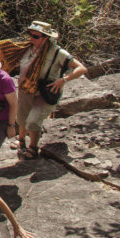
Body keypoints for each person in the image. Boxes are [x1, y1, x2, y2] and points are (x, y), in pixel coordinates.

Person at [14, 21, 87, 159]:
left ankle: (33, 148)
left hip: (45, 90)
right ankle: (21, 140)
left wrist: (63, 80)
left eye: (36, 36)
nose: (32, 38)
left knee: (33, 120)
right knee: (22, 117)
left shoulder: (57, 52)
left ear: (46, 37)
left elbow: (81, 68)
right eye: (30, 34)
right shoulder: (27, 47)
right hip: (26, 88)